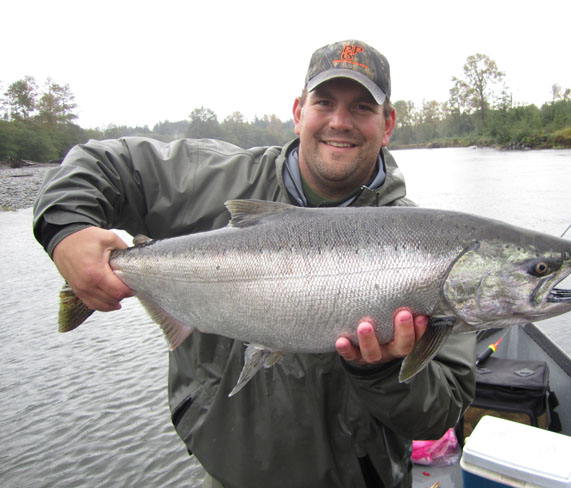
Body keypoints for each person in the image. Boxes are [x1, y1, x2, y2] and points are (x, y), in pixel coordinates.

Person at [33, 40, 476, 488]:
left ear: (388, 124)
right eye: (325, 102)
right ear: (299, 112)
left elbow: (440, 414)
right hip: (228, 471)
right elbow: (103, 163)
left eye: (362, 107)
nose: (340, 122)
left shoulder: (431, 244)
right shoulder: (216, 177)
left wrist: (379, 368)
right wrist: (65, 230)